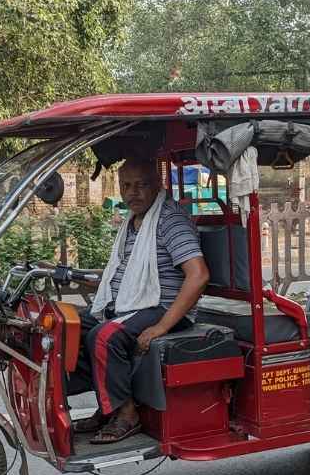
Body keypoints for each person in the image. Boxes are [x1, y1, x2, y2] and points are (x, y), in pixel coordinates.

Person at [66, 158, 209, 444]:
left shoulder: (169, 220)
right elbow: (123, 272)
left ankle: (127, 413)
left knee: (105, 336)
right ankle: (110, 406)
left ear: (158, 185)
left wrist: (162, 327)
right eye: (126, 186)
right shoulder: (133, 223)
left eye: (142, 185)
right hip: (130, 306)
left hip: (163, 308)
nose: (133, 193)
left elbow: (199, 275)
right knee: (68, 326)